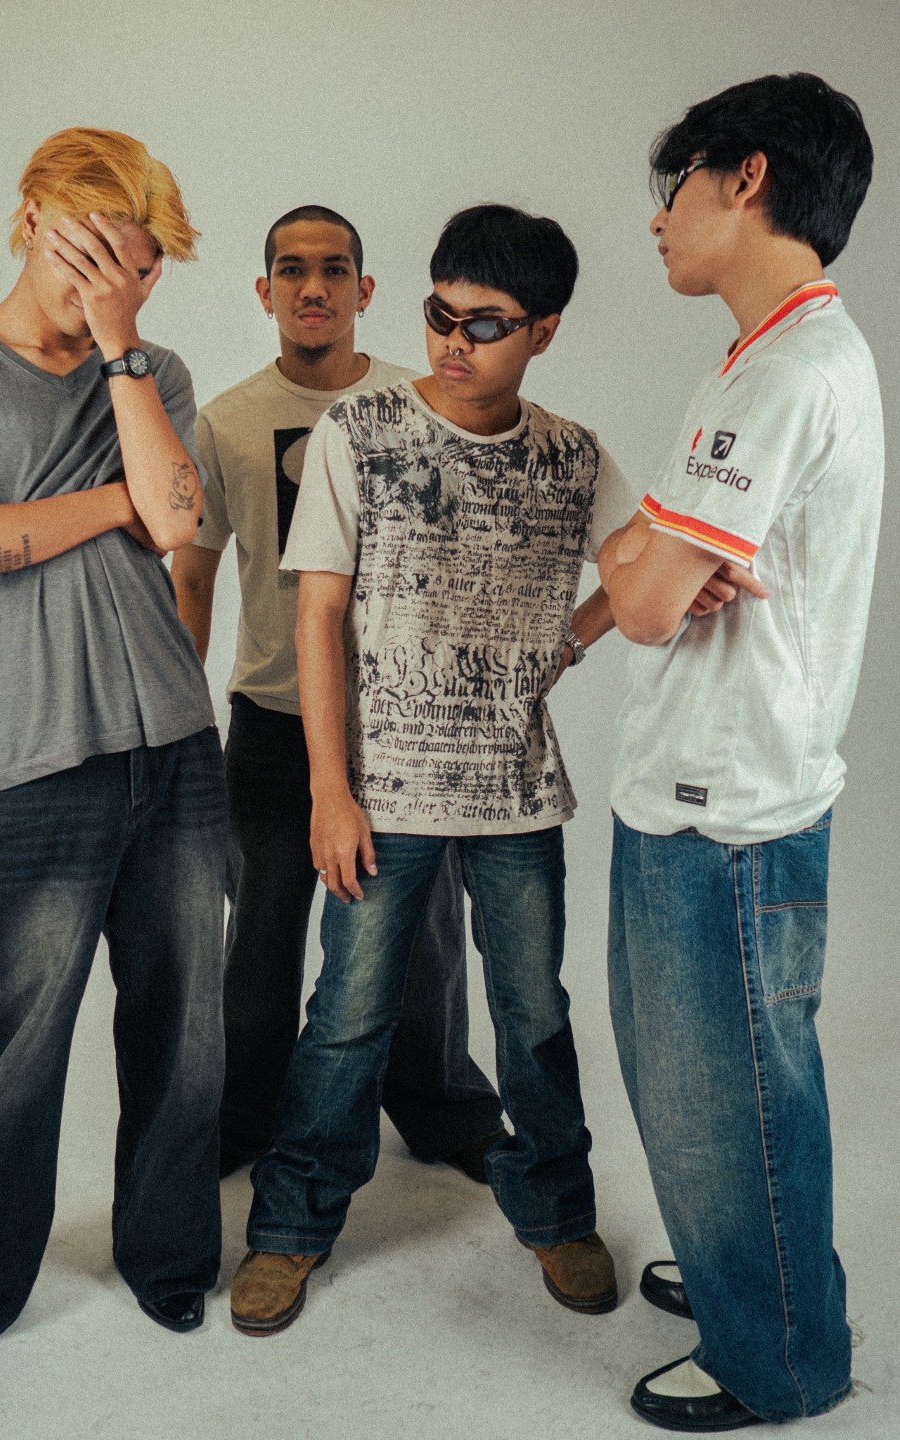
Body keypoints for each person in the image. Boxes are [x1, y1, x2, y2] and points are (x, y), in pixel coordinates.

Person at [229, 203, 637, 1337]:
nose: (455, 342)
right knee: (347, 1016)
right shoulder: (359, 432)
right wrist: (330, 790)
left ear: (543, 330)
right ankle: (290, 1228)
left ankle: (556, 1212)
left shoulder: (572, 455)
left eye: (486, 324)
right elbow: (317, 615)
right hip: (387, 791)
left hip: (517, 795)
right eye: (439, 315)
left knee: (534, 1013)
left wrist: (568, 641)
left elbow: (643, 565)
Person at [0, 127, 228, 1385]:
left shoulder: (153, 370)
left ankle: (170, 1256)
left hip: (176, 747)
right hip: (31, 757)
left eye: (141, 268)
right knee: (4, 1041)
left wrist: (121, 347)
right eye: (95, 258)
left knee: (184, 1027)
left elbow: (178, 522)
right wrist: (110, 503)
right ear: (33, 220)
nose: (116, 287)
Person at [598, 73, 880, 1430]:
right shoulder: (776, 353)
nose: (659, 220)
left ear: (746, 176)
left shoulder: (784, 371)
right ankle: (746, 1270)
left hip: (728, 804)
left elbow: (646, 601)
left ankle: (781, 1359)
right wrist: (651, 552)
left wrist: (647, 556)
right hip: (708, 781)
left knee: (735, 1098)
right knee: (699, 1078)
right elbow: (649, 568)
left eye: (677, 187)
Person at [171, 205, 505, 1180]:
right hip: (272, 724)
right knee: (260, 940)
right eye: (290, 269)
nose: (311, 287)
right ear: (264, 290)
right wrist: (180, 723)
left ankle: (442, 1109)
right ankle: (244, 1116)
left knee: (425, 940)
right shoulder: (225, 422)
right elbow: (193, 579)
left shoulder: (426, 403)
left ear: (364, 290)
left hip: (404, 725)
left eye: (332, 269)